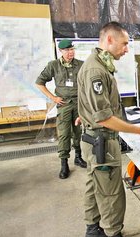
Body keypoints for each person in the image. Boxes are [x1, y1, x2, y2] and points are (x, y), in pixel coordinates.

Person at [77, 22, 140, 237]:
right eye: (124, 44)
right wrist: (139, 131)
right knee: (111, 193)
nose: (126, 49)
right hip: (101, 143)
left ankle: (93, 229)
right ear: (109, 40)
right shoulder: (96, 70)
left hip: (93, 138)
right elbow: (104, 118)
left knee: (94, 185)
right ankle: (113, 233)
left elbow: (93, 103)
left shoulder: (98, 65)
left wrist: (85, 113)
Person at [36, 39, 87, 179]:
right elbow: (39, 83)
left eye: (72, 50)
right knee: (64, 134)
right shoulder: (53, 65)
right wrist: (53, 98)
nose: (70, 53)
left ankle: (78, 157)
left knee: (78, 131)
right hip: (64, 104)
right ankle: (64, 163)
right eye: (67, 50)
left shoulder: (81, 65)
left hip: (78, 103)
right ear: (61, 51)